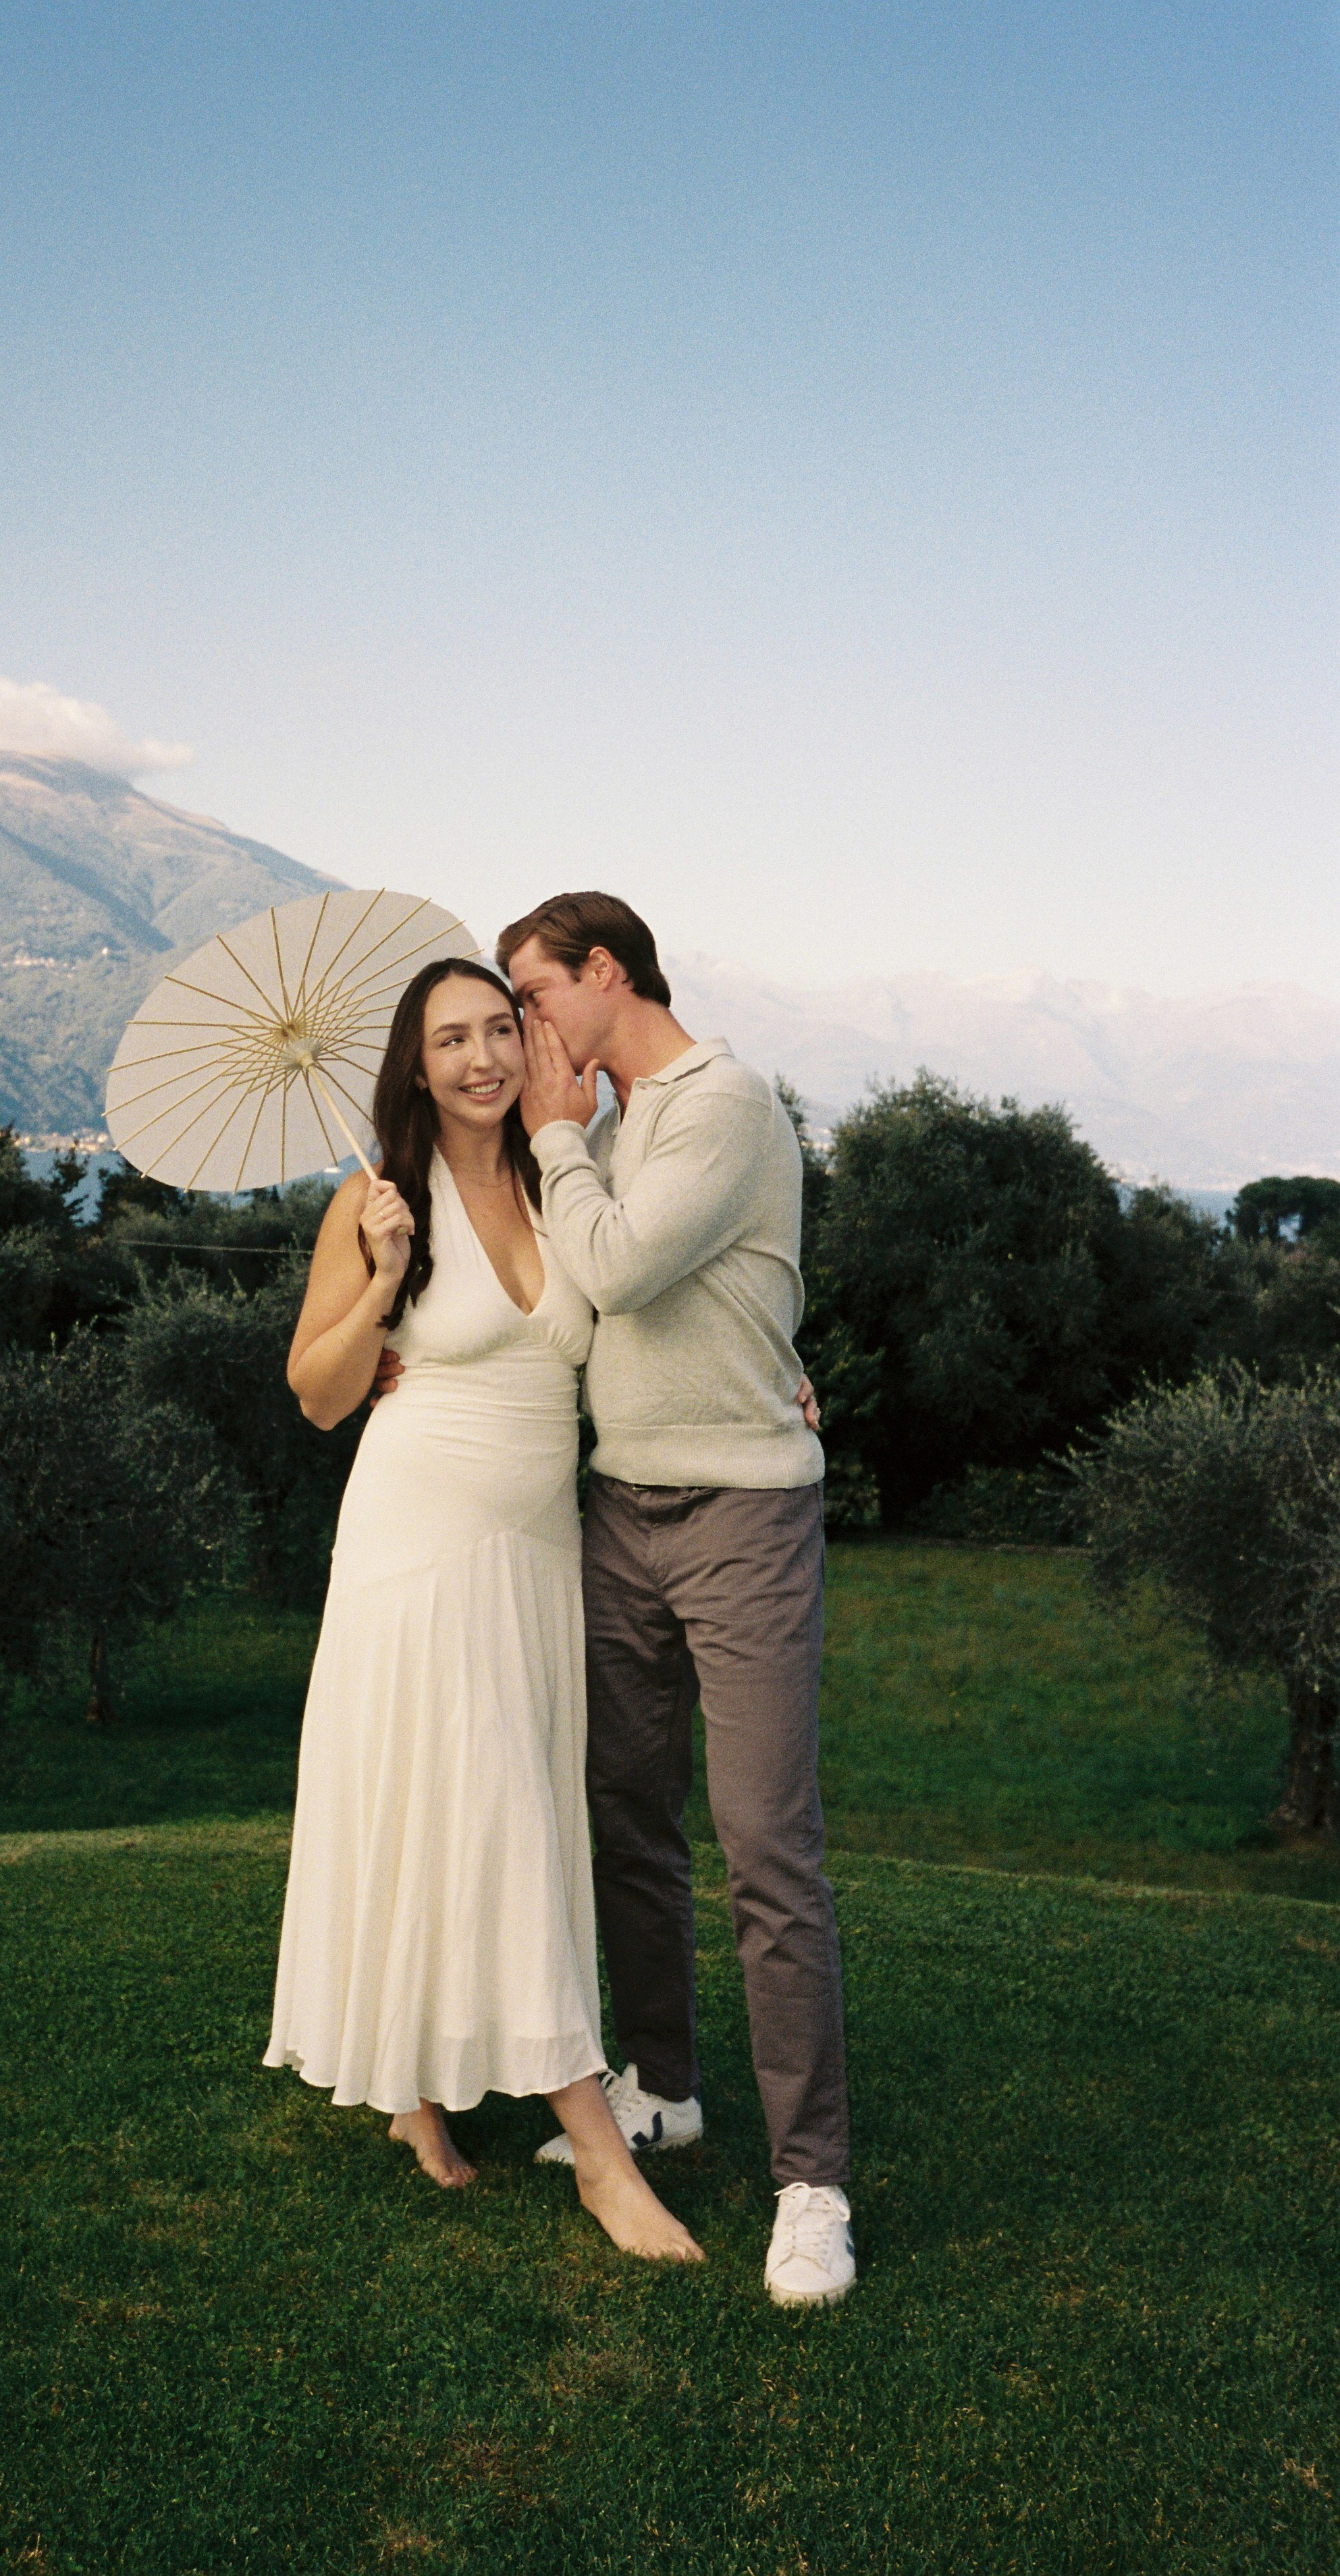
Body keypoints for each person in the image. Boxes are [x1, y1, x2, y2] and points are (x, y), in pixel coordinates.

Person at [264, 955, 703, 2264]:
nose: (479, 1057)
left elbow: (648, 1318)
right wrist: (385, 1276)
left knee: (487, 1809)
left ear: (528, 1043)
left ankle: (416, 2092)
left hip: (533, 1554)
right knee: (488, 1802)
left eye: (498, 1029)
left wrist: (766, 1383)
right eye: (448, 1037)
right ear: (414, 1064)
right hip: (416, 1544)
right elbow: (318, 1394)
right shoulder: (373, 1200)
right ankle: (598, 2152)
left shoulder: (568, 1174)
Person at [496, 890, 856, 2309]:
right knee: (623, 1817)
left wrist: (546, 1137)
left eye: (529, 993)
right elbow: (584, 1316)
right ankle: (663, 2084)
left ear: (603, 973)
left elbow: (625, 1263)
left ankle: (810, 2181)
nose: (523, 1026)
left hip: (743, 1516)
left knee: (766, 1845)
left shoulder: (719, 1101)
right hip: (618, 1506)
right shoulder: (608, 1129)